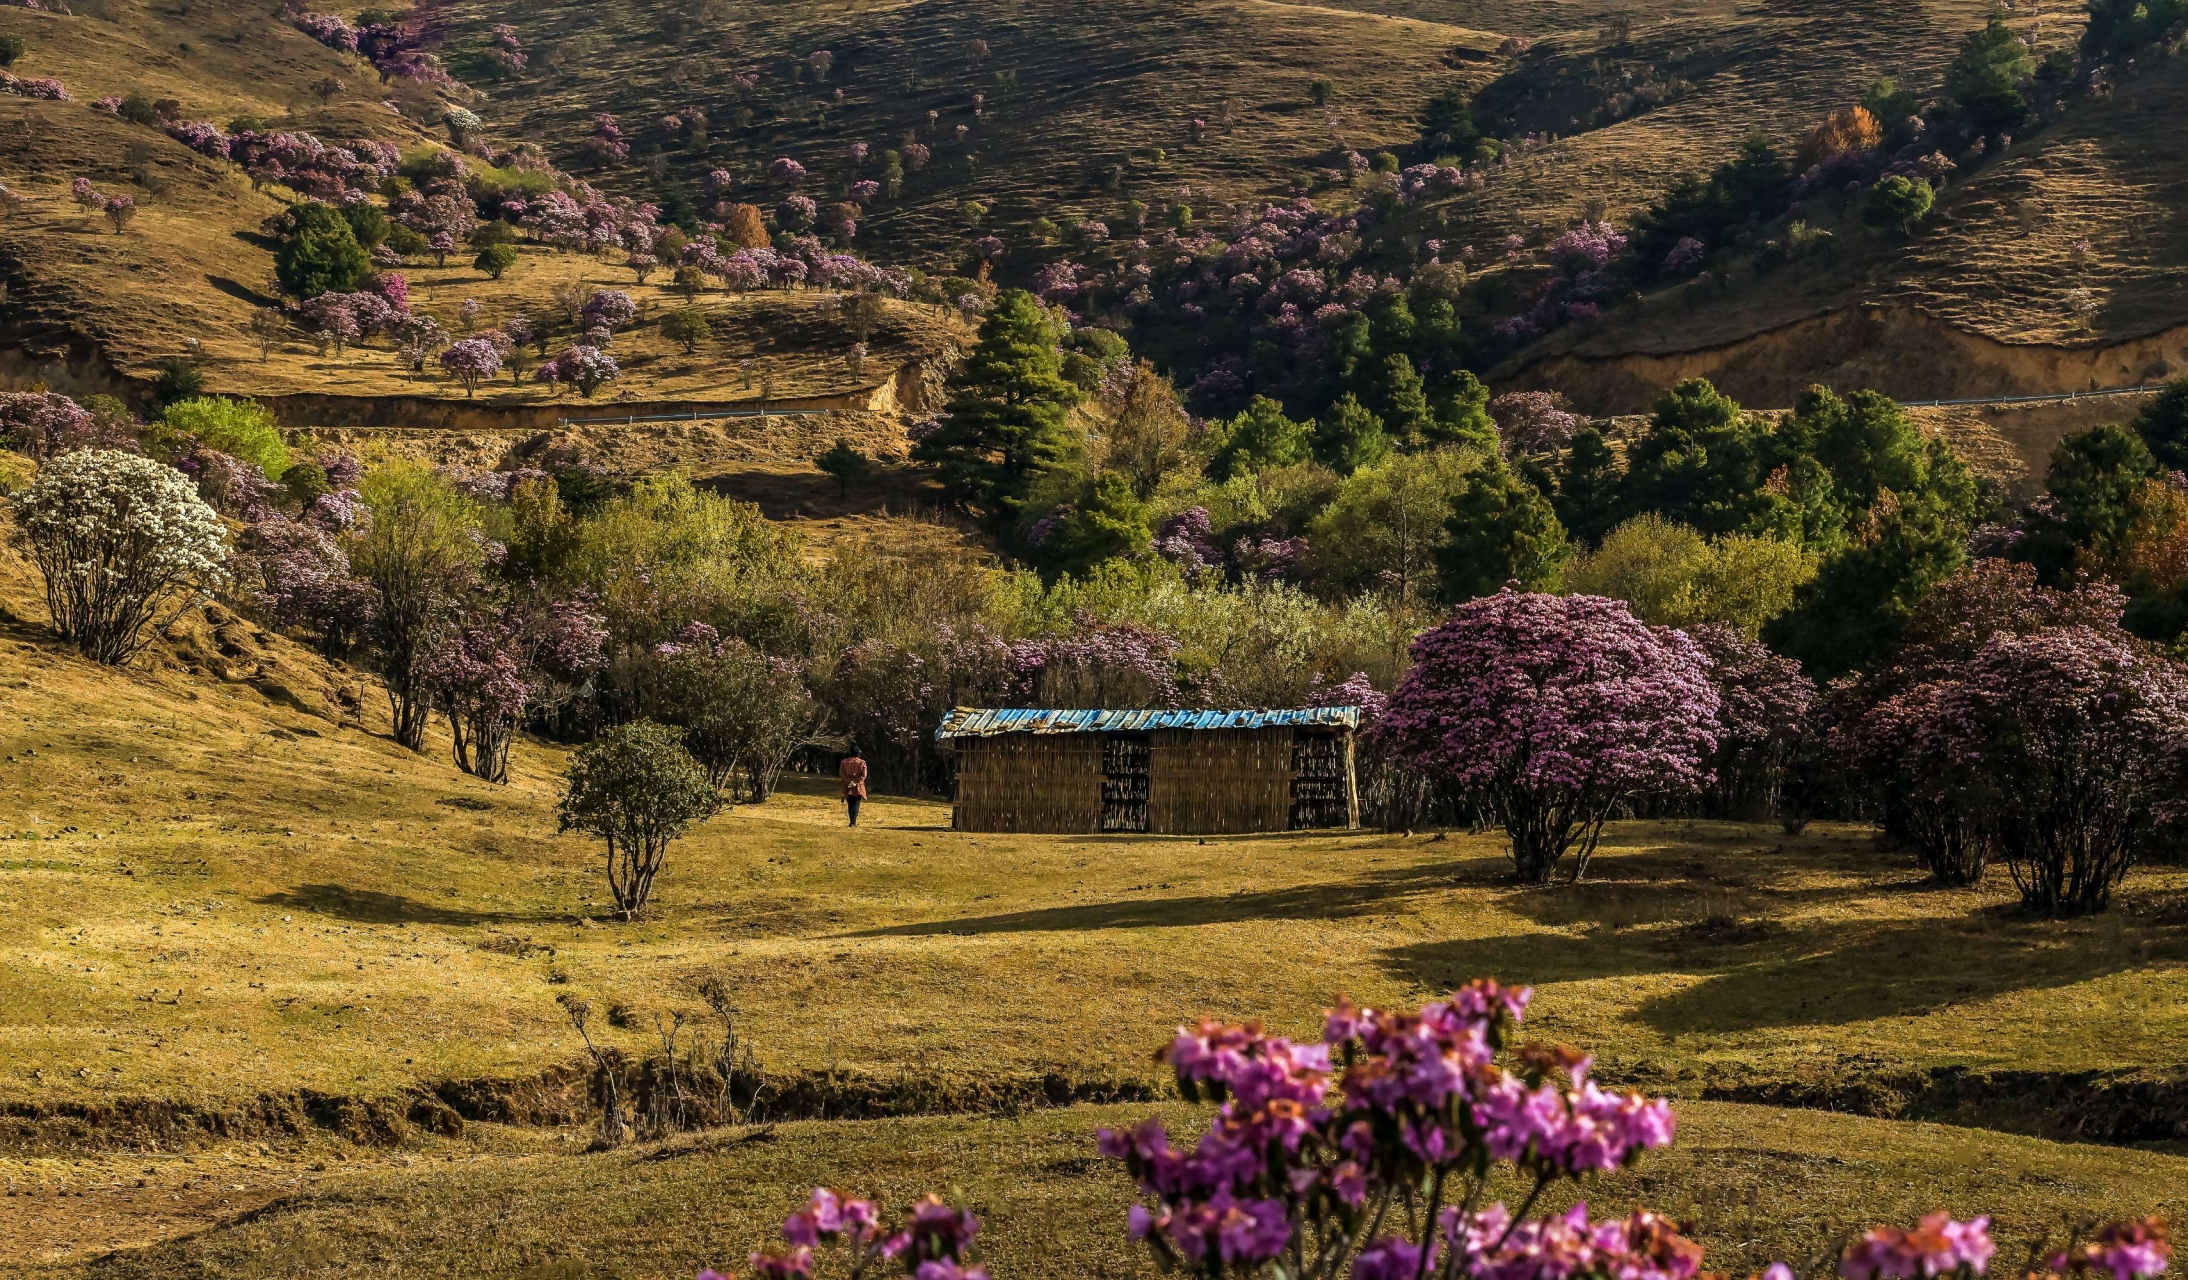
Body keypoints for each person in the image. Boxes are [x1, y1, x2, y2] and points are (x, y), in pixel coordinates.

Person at [838, 746, 868, 827]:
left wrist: (847, 782)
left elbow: (841, 773)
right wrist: (856, 782)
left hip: (847, 785)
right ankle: (853, 822)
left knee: (850, 803)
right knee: (856, 804)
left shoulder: (844, 762)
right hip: (857, 786)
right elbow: (863, 775)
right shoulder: (862, 762)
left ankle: (851, 822)